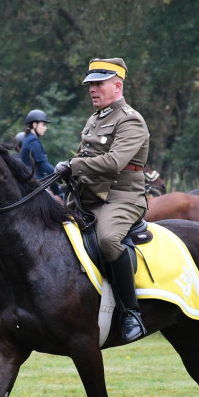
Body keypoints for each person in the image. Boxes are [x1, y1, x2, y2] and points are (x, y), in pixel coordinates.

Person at [54, 58, 149, 343]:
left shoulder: (130, 120)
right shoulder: (95, 119)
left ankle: (131, 313)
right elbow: (85, 157)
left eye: (98, 84)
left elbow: (114, 162)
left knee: (108, 240)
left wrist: (73, 165)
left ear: (117, 85)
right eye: (90, 85)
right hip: (87, 197)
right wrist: (66, 170)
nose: (92, 89)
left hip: (121, 199)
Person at [18, 109, 56, 181]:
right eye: (43, 125)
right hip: (36, 180)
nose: (45, 128)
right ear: (35, 125)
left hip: (35, 179)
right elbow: (44, 164)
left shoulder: (29, 138)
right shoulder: (32, 141)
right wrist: (59, 174)